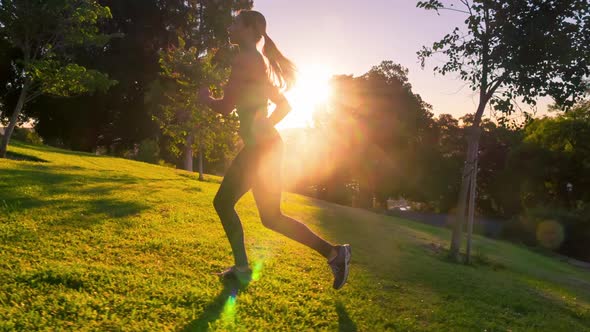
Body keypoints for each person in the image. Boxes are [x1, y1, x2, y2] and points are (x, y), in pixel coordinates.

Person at [198, 10, 351, 290]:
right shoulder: (261, 61)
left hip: (261, 149)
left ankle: (243, 267)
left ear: (247, 29)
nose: (230, 27)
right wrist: (264, 127)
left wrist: (206, 97)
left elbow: (224, 106)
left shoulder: (245, 60)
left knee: (223, 203)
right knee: (271, 218)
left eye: (234, 22)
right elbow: (285, 105)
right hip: (268, 146)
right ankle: (334, 253)